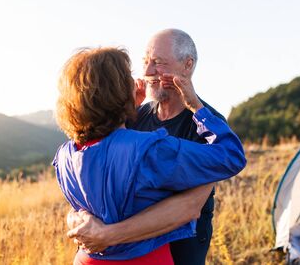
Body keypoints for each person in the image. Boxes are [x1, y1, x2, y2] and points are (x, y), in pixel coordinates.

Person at [53, 46, 246, 264]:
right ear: (118, 90)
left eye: (157, 61)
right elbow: (232, 156)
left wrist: (125, 111)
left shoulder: (66, 154)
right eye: (128, 76)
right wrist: (197, 107)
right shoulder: (149, 149)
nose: (144, 73)